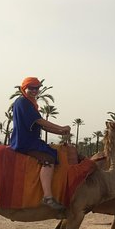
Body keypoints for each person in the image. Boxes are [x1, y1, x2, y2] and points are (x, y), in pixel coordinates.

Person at [10, 77, 71, 212]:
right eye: (31, 88)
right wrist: (61, 127)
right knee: (48, 159)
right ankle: (48, 197)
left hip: (32, 140)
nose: (34, 91)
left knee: (54, 153)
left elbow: (42, 126)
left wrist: (60, 132)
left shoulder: (30, 103)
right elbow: (40, 121)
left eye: (37, 88)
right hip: (25, 142)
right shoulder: (23, 102)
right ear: (24, 88)